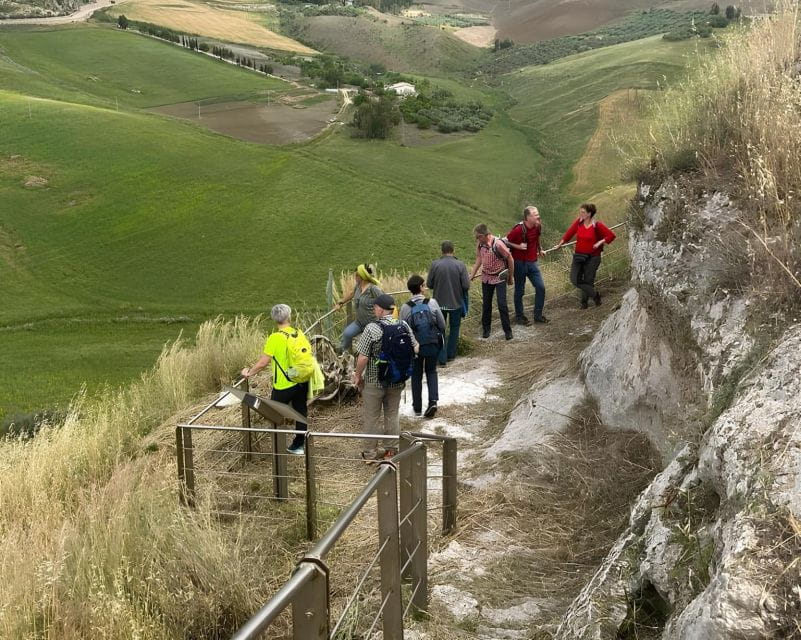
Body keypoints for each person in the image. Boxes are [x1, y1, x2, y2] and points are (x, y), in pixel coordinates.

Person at [353, 294, 418, 460]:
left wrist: (357, 375)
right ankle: (391, 451)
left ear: (381, 309)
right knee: (392, 414)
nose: (374, 310)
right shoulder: (403, 324)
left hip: (375, 381)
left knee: (372, 417)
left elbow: (363, 357)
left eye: (375, 307)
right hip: (397, 380)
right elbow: (415, 347)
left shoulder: (372, 328)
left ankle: (370, 453)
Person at [241, 304, 309, 455]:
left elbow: (264, 362)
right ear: (289, 316)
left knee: (274, 414)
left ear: (274, 319)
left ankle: (278, 448)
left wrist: (249, 372)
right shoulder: (298, 333)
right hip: (301, 381)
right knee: (300, 412)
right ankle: (299, 445)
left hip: (283, 385)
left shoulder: (274, 338)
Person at [553, 203, 616, 309]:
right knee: (574, 279)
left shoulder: (597, 225)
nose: (580, 214)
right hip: (579, 256)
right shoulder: (579, 222)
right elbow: (569, 233)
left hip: (593, 258)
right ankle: (595, 295)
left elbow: (611, 235)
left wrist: (600, 242)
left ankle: (584, 303)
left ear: (589, 214)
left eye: (583, 212)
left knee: (588, 280)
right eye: (580, 211)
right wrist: (559, 245)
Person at [400, 274, 446, 418]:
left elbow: (402, 329)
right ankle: (433, 401)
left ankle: (417, 407)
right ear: (420, 287)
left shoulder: (405, 308)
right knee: (431, 371)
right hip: (432, 344)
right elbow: (442, 324)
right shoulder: (432, 302)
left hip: (415, 347)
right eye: (423, 285)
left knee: (416, 375)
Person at [426, 241, 470, 365]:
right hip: (456, 303)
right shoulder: (460, 265)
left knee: (440, 329)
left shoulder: (435, 264)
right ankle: (451, 355)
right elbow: (466, 286)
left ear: (442, 251)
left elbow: (429, 284)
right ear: (453, 250)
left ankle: (442, 358)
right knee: (454, 328)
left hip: (438, 304)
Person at [470, 223, 514, 340]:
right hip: (486, 278)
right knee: (486, 304)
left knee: (502, 304)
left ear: (486, 235)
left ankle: (507, 331)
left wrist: (510, 276)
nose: (477, 239)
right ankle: (486, 329)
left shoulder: (498, 244)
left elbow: (510, 258)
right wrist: (472, 275)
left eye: (478, 237)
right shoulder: (480, 245)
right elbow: (479, 259)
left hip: (499, 277)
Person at [505, 205, 547, 325]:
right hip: (519, 263)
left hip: (533, 262)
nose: (538, 216)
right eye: (535, 214)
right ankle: (520, 317)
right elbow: (506, 241)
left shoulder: (537, 226)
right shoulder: (518, 229)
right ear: (527, 217)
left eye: (537, 213)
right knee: (520, 291)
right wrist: (518, 246)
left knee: (541, 288)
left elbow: (537, 238)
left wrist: (540, 249)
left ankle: (538, 315)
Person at [334, 264, 383, 353]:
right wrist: (341, 302)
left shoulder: (373, 289)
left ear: (362, 277)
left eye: (356, 275)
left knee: (365, 346)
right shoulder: (358, 286)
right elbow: (352, 293)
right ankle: (343, 352)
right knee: (347, 333)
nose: (355, 277)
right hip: (359, 322)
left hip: (372, 324)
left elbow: (384, 299)